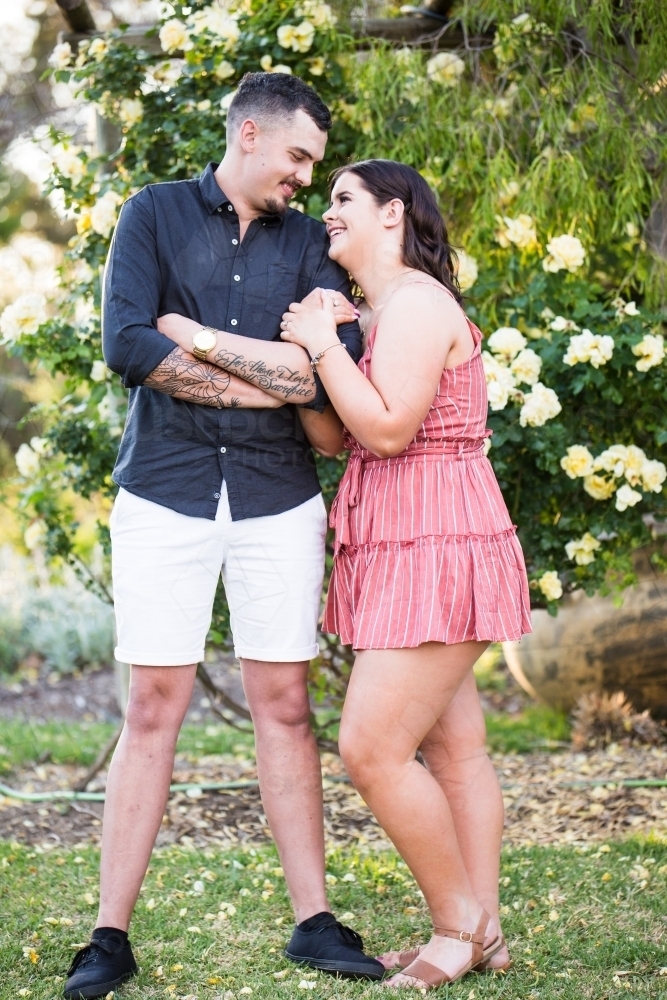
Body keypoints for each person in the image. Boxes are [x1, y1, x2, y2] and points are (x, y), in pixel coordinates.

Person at [62, 73, 384, 1000]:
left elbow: (329, 372)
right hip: (163, 494)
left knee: (285, 703)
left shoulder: (309, 246)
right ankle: (107, 938)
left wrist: (196, 342)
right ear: (249, 134)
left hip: (277, 497)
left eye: (314, 166)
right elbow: (127, 344)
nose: (304, 179)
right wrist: (272, 373)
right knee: (152, 706)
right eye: (296, 158)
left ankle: (314, 923)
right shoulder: (152, 215)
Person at [278, 159, 532, 990]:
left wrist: (321, 343)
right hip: (399, 533)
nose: (327, 215)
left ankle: (459, 926)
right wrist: (319, 353)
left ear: (393, 214)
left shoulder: (419, 303)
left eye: (342, 199)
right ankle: (479, 932)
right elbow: (335, 438)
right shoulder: (378, 311)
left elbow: (387, 433)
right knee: (453, 748)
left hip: (440, 533)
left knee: (371, 747)